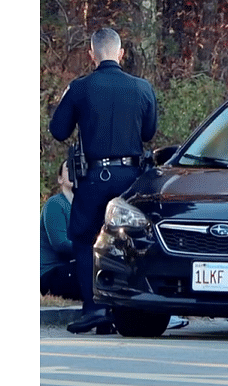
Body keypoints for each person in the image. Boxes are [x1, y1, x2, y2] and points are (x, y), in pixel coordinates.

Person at [49, 27, 158, 334]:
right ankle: (124, 307)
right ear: (121, 53)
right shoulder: (142, 87)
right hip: (131, 176)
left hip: (95, 175)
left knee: (84, 238)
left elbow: (58, 130)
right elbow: (149, 133)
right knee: (130, 239)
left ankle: (94, 308)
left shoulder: (80, 87)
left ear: (91, 55)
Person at [40, 161, 80, 300]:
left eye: (77, 169)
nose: (74, 172)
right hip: (52, 271)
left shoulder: (84, 208)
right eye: (69, 169)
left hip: (75, 265)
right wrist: (91, 251)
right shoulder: (55, 204)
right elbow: (60, 244)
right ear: (60, 179)